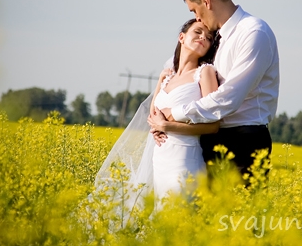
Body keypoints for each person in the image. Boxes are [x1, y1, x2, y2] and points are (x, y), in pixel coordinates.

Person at [148, 0, 279, 178]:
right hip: (208, 140)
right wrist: (162, 123)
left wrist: (175, 114)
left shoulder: (253, 32)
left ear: (206, 1)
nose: (197, 19)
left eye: (195, 10)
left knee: (239, 209)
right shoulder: (216, 38)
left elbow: (230, 97)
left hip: (243, 141)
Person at [94, 18, 220, 206]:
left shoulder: (205, 72)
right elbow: (153, 115)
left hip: (184, 159)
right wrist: (160, 81)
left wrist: (167, 126)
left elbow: (213, 126)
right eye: (198, 32)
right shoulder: (167, 76)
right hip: (160, 159)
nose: (204, 38)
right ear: (181, 37)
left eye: (209, 38)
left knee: (179, 214)